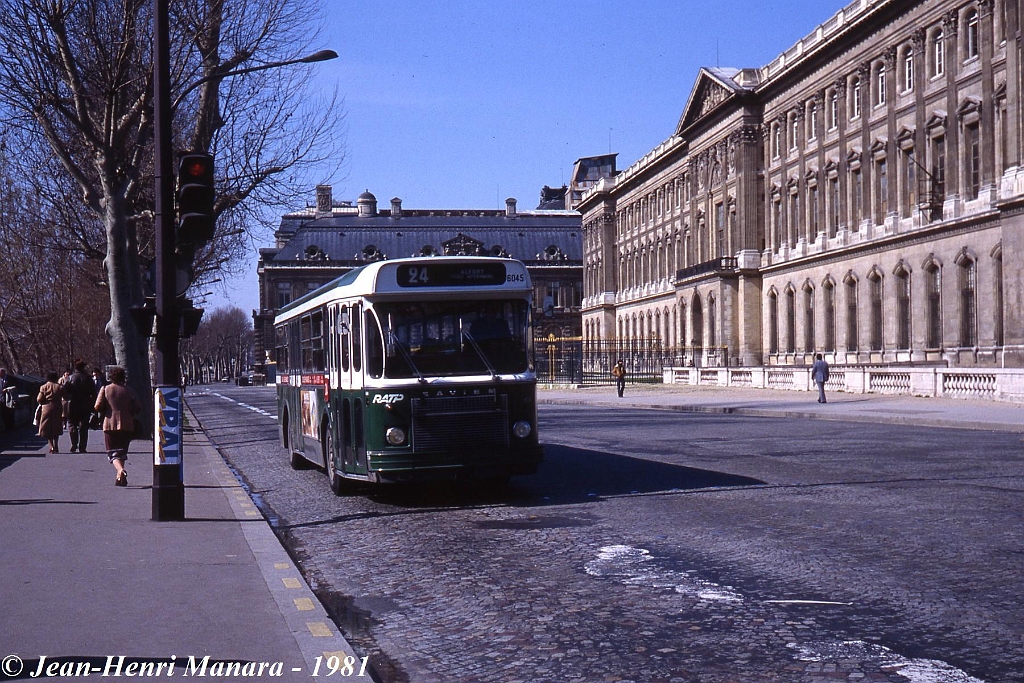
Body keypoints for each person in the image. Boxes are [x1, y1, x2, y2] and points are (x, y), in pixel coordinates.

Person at [94, 366, 142, 487]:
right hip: (126, 423)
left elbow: (97, 406)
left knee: (112, 452)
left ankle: (121, 471)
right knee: (122, 451)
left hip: (110, 423)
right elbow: (138, 407)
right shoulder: (129, 391)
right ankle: (119, 477)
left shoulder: (105, 389)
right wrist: (130, 413)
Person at [65, 359, 98, 453]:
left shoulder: (70, 378)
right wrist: (93, 405)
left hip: (73, 404)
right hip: (85, 404)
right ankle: (82, 447)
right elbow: (94, 393)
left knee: (72, 425)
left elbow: (64, 391)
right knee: (84, 426)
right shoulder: (88, 379)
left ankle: (74, 444)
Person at [36, 371, 65, 453]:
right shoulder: (59, 387)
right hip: (57, 407)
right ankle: (56, 445)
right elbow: (65, 396)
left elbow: (39, 399)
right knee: (56, 426)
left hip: (46, 408)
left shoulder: (43, 387)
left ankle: (51, 446)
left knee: (47, 428)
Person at [0, 367, 16, 432]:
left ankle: (11, 427)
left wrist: (7, 389)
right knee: (3, 414)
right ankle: (5, 427)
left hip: (9, 398)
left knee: (10, 413)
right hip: (1, 399)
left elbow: (14, 386)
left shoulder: (10, 378)